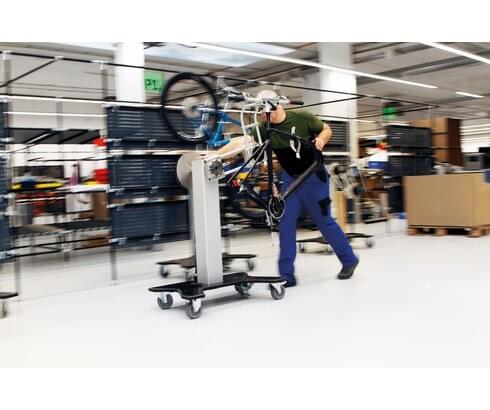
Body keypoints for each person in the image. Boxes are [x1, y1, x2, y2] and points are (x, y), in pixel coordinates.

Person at [219, 90, 359, 287]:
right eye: (260, 111)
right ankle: (287, 275)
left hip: (313, 177)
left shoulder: (302, 118)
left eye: (264, 109)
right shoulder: (265, 128)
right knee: (285, 225)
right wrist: (215, 156)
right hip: (290, 179)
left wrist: (321, 139)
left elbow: (326, 129)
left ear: (275, 105)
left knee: (324, 222)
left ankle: (349, 260)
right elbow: (242, 141)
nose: (262, 114)